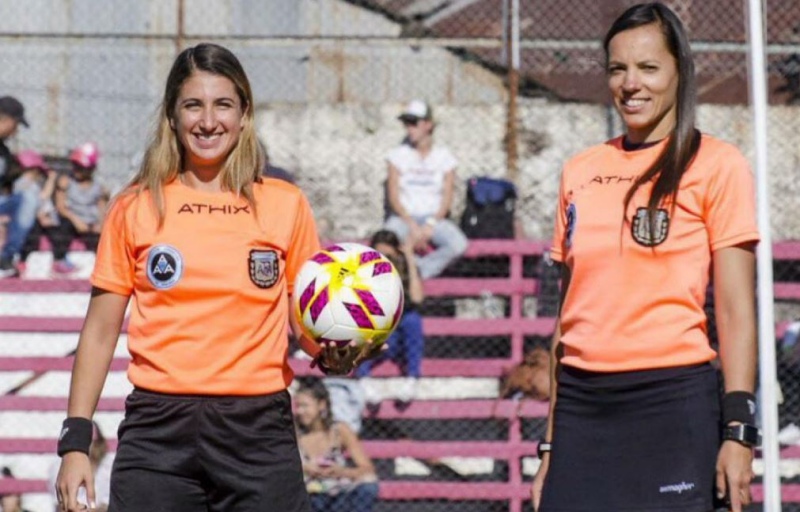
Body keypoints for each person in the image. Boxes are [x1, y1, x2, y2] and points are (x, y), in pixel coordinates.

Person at [54, 42, 379, 512]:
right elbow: (101, 331)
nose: (208, 121)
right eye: (193, 105)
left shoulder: (285, 204)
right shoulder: (135, 205)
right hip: (157, 430)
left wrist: (333, 356)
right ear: (172, 115)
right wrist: (75, 443)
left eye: (223, 104)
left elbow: (307, 320)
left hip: (257, 431)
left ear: (244, 113)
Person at [531, 4, 759, 512]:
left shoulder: (718, 165)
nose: (630, 84)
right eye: (618, 69)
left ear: (680, 70)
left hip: (672, 406)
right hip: (582, 412)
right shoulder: (579, 171)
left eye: (648, 68)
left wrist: (739, 431)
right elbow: (566, 324)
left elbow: (737, 310)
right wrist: (550, 445)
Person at [383, 99, 468, 279]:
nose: (409, 128)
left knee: (458, 244)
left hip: (433, 219)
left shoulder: (444, 157)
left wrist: (430, 225)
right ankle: (399, 278)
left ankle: (419, 270)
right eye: (407, 123)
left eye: (414, 123)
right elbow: (394, 197)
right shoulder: (397, 156)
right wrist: (412, 225)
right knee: (385, 243)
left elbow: (446, 199)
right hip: (404, 218)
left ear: (428, 125)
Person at [355, 229, 425, 403]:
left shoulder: (406, 269)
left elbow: (417, 298)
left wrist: (408, 257)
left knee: (412, 320)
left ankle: (412, 380)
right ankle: (364, 381)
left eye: (389, 255)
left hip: (400, 338)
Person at [295, 378, 379, 512]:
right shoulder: (293, 433)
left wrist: (341, 471)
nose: (299, 411)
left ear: (321, 404)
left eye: (305, 406)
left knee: (368, 485)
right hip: (306, 495)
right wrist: (304, 469)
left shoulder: (339, 430)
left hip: (337, 494)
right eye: (298, 406)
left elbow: (367, 469)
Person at [49, 142, 108, 275]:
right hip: (70, 218)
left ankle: (104, 264)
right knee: (63, 228)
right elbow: (61, 207)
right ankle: (59, 260)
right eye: (75, 166)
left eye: (81, 167)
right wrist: (76, 221)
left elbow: (102, 210)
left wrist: (100, 225)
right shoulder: (66, 182)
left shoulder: (98, 188)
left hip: (89, 223)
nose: (76, 170)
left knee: (101, 237)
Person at [9, 150, 59, 277]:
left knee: (58, 232)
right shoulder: (22, 183)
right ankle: (21, 261)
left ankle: (58, 261)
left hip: (42, 217)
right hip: (30, 220)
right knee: (32, 234)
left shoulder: (34, 184)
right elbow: (40, 199)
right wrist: (51, 180)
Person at [48, 421, 114, 512]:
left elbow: (107, 504)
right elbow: (59, 504)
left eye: (91, 441)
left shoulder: (108, 465)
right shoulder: (59, 465)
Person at [0, 96, 30, 277]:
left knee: (29, 195)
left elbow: (8, 186)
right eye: (16, 125)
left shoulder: (4, 151)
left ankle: (6, 258)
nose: (16, 131)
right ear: (5, 119)